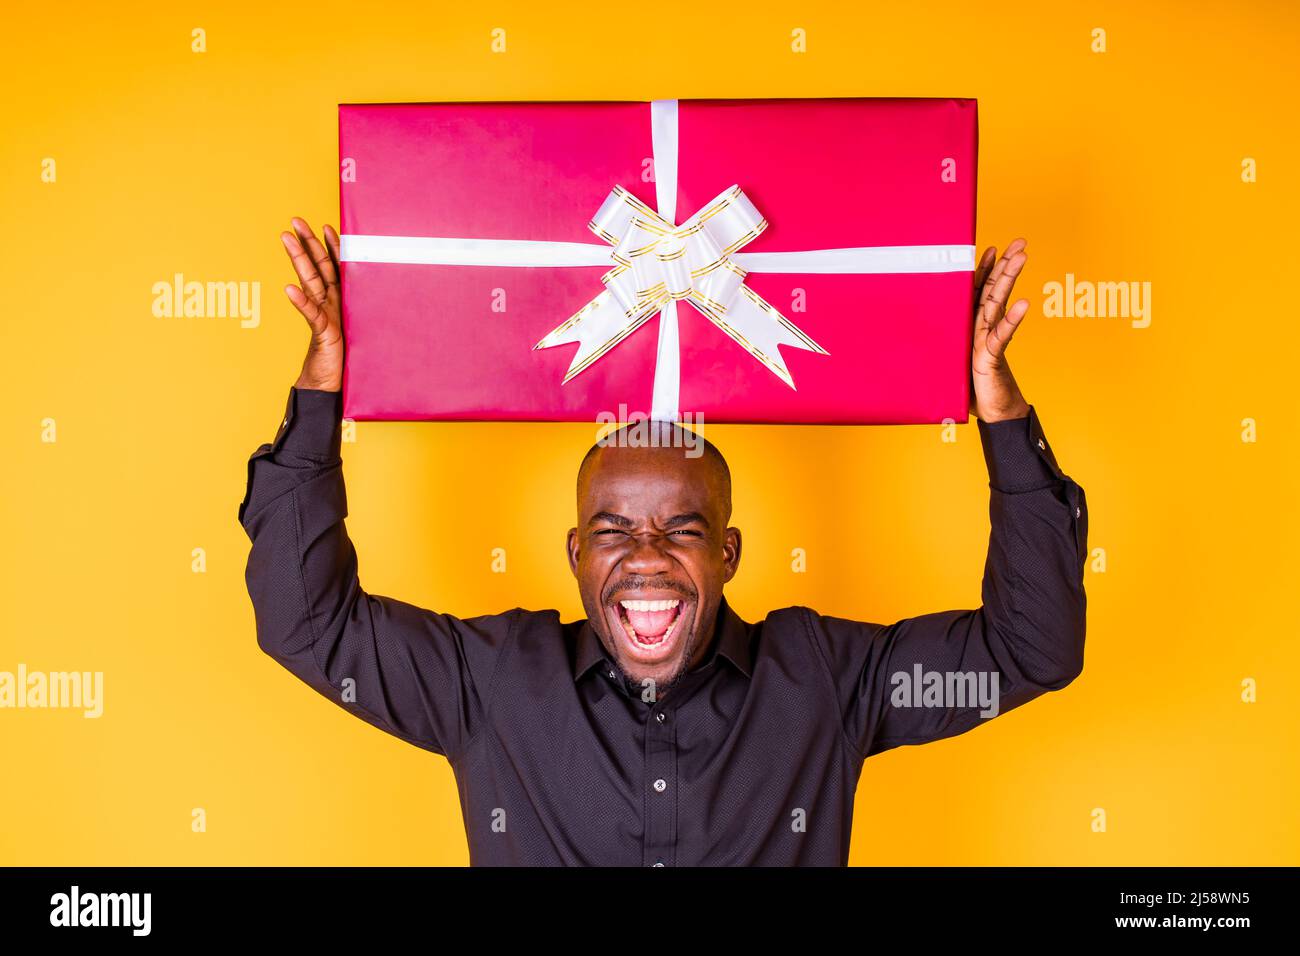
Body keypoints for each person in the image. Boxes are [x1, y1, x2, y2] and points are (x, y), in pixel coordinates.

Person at [238, 217, 1088, 866]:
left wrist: (1002, 418)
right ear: (577, 555)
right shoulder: (491, 681)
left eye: (682, 529)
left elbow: (1032, 647)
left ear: (729, 554)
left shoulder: (825, 679)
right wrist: (321, 393)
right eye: (614, 532)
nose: (645, 557)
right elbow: (308, 627)